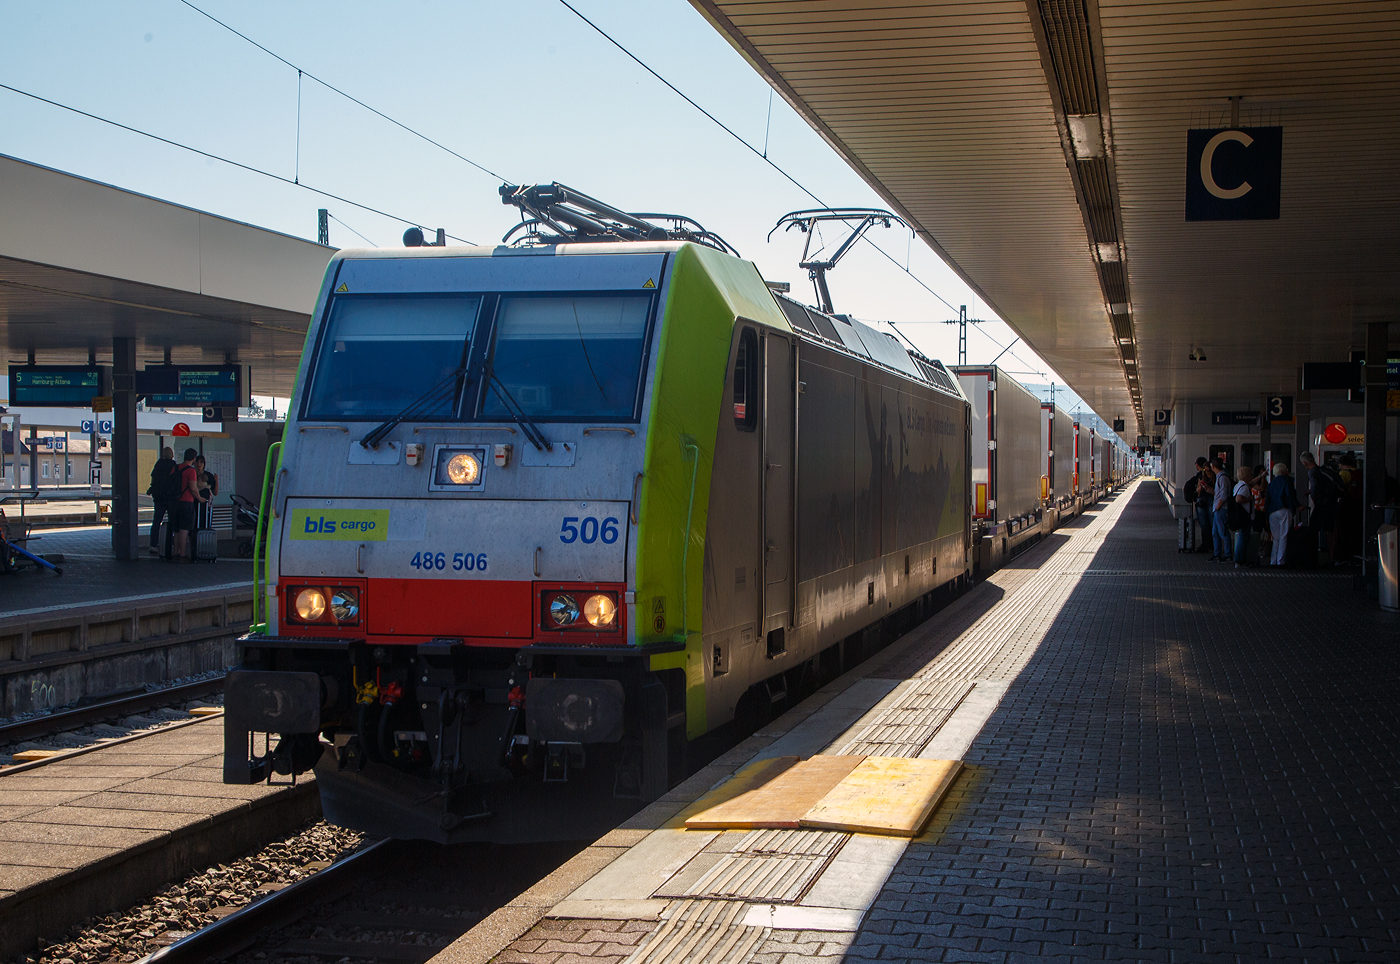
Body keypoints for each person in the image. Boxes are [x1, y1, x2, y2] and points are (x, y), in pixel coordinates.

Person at [1301, 452, 1340, 564]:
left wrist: (1314, 499)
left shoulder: (1312, 472)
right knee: (1329, 531)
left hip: (1322, 504)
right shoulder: (1322, 470)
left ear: (1304, 462)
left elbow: (1315, 488)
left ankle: (1311, 558)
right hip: (1332, 503)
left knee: (1312, 529)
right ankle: (1333, 557)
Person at [170, 448, 207, 561]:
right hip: (186, 502)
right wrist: (200, 498)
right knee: (184, 529)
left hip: (174, 502)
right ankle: (183, 554)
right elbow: (193, 488)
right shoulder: (191, 471)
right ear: (193, 459)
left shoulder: (175, 468)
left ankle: (175, 553)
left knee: (176, 529)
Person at [1266, 463, 1300, 566]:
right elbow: (1289, 494)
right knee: (1283, 535)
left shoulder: (1271, 484)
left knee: (1275, 537)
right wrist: (1297, 505)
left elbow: (1268, 500)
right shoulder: (1287, 480)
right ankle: (1281, 560)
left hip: (1272, 511)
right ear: (1284, 471)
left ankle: (1273, 560)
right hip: (1284, 509)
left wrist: (1266, 515)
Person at [147, 446, 176, 555]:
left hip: (158, 497)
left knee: (156, 521)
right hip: (170, 497)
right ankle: (172, 542)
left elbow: (153, 480)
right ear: (171, 455)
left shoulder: (158, 465)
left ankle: (153, 544)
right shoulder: (173, 466)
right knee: (173, 520)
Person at [1230, 465, 1254, 568]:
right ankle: (1239, 559)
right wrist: (1250, 499)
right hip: (1244, 515)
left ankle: (1240, 559)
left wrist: (1261, 476)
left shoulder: (1238, 485)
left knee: (1241, 536)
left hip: (1238, 515)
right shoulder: (1244, 488)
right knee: (1243, 537)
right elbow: (1239, 499)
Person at [1211, 457, 1233, 562]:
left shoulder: (1222, 478)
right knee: (1215, 533)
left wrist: (1218, 507)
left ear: (1213, 466)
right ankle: (1217, 554)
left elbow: (1224, 495)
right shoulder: (1220, 477)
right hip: (1217, 509)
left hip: (1221, 509)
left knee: (1223, 532)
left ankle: (1228, 554)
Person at [1193, 458, 1213, 553]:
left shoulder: (1200, 476)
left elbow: (1198, 491)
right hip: (1210, 501)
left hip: (1203, 501)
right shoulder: (1215, 477)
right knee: (1210, 523)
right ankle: (1211, 544)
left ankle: (1206, 544)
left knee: (1204, 524)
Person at [194, 455, 218, 528]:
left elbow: (215, 492)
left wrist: (216, 481)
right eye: (197, 462)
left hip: (205, 505)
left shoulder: (208, 475)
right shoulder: (191, 474)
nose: (199, 464)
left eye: (201, 462)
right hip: (193, 504)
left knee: (205, 524)